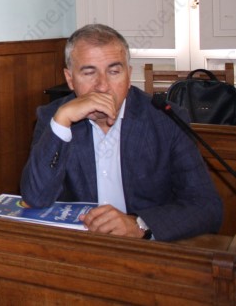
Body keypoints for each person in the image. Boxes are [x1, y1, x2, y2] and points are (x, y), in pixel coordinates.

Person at [20, 24, 222, 241]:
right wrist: (62, 121)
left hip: (144, 251)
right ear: (70, 79)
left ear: (129, 75)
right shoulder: (54, 117)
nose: (102, 86)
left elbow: (207, 207)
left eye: (114, 71)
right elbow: (36, 199)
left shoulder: (166, 119)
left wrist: (140, 225)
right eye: (89, 73)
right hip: (80, 247)